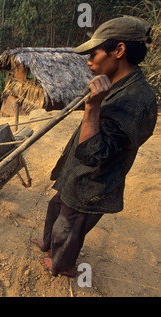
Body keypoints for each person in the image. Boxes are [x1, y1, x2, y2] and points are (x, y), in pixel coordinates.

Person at [31, 16, 157, 277]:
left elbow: (92, 154)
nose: (88, 60)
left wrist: (92, 107)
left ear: (119, 51)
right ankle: (47, 245)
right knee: (55, 208)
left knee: (69, 227)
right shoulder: (115, 84)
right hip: (76, 174)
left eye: (93, 53)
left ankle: (62, 265)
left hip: (93, 181)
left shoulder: (136, 101)